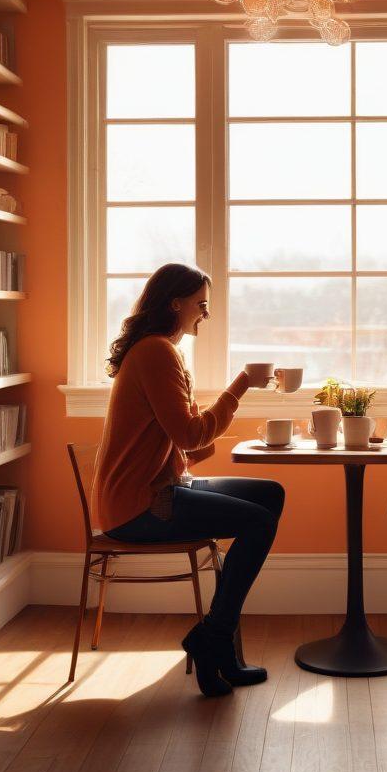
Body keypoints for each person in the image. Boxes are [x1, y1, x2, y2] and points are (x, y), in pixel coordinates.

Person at [94, 263, 285, 697]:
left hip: (164, 487)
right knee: (259, 522)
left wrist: (198, 440)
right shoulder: (156, 352)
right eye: (201, 304)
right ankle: (214, 640)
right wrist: (241, 385)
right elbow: (189, 434)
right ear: (174, 304)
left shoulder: (157, 350)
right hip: (142, 504)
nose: (206, 313)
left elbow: (179, 438)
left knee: (269, 495)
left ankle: (219, 642)